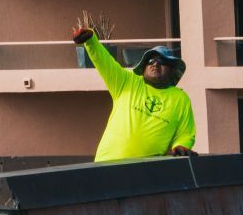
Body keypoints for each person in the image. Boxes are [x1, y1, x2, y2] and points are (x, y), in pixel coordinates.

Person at [72, 23, 196, 161]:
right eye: (150, 60)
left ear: (172, 69)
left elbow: (185, 133)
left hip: (146, 171)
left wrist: (181, 146)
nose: (155, 64)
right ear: (143, 67)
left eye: (162, 61)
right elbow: (104, 61)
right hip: (106, 164)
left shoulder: (181, 98)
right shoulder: (126, 82)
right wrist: (91, 41)